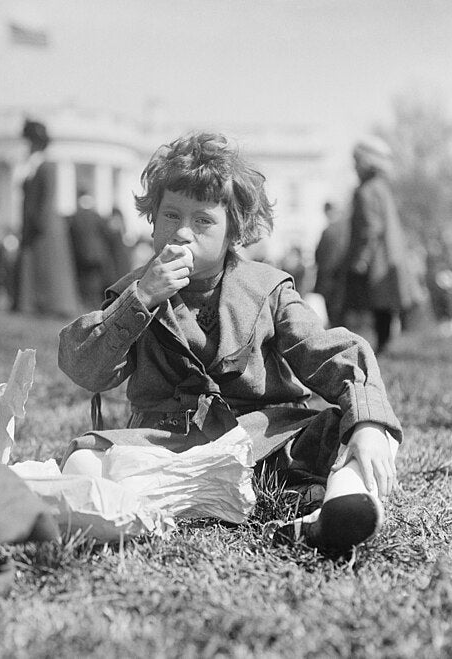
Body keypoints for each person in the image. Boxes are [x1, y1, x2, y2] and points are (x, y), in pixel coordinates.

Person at [58, 131, 402, 555]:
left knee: (361, 430)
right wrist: (142, 298)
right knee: (84, 459)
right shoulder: (135, 291)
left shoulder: (268, 288)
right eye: (170, 215)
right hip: (169, 448)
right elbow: (85, 369)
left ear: (233, 232)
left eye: (203, 221)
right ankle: (123, 516)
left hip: (262, 446)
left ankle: (338, 511)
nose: (182, 233)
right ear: (152, 218)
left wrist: (367, 424)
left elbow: (332, 354)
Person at [341, 136, 414, 354]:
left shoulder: (366, 191)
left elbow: (371, 229)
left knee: (373, 306)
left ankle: (377, 349)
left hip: (377, 259)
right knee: (385, 307)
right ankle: (384, 346)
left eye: (356, 161)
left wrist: (361, 259)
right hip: (390, 255)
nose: (354, 167)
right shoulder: (382, 187)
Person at [13, 119, 80, 318]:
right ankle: (32, 303)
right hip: (34, 223)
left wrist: (37, 222)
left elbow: (47, 197)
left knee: (47, 266)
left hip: (44, 224)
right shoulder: (32, 165)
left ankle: (52, 304)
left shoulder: (45, 166)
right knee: (34, 265)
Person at [68, 190, 112, 309]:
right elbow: (107, 233)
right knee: (96, 280)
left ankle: (86, 302)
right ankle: (95, 303)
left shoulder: (75, 217)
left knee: (84, 280)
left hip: (81, 254)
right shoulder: (97, 216)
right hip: (98, 254)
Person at [313, 201, 349, 327]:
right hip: (337, 276)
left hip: (331, 276)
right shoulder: (343, 230)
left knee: (335, 308)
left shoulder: (331, 231)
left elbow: (320, 255)